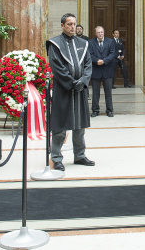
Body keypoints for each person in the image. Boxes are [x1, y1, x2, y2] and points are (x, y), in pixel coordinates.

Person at [47, 13, 95, 170]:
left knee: (80, 126)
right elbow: (57, 67)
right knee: (60, 127)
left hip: (80, 91)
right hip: (64, 90)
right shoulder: (55, 44)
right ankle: (56, 157)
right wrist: (72, 83)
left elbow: (88, 64)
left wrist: (83, 81)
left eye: (74, 24)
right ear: (62, 25)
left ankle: (80, 156)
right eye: (69, 24)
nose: (72, 27)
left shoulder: (83, 43)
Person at [89, 26, 117, 117]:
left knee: (108, 92)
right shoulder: (91, 42)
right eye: (98, 32)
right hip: (96, 70)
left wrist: (104, 61)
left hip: (107, 70)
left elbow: (113, 53)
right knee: (95, 92)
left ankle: (109, 110)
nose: (100, 34)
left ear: (104, 32)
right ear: (95, 33)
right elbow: (90, 54)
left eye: (101, 32)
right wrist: (97, 61)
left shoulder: (110, 41)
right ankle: (95, 110)